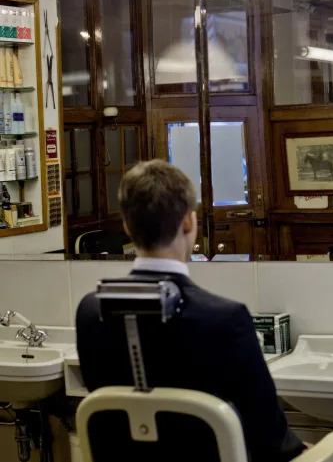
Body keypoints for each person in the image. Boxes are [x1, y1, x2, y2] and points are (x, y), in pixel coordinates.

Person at [76, 160, 305, 462]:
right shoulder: (225, 319)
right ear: (188, 222)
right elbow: (272, 442)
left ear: (127, 226)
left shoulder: (92, 311)